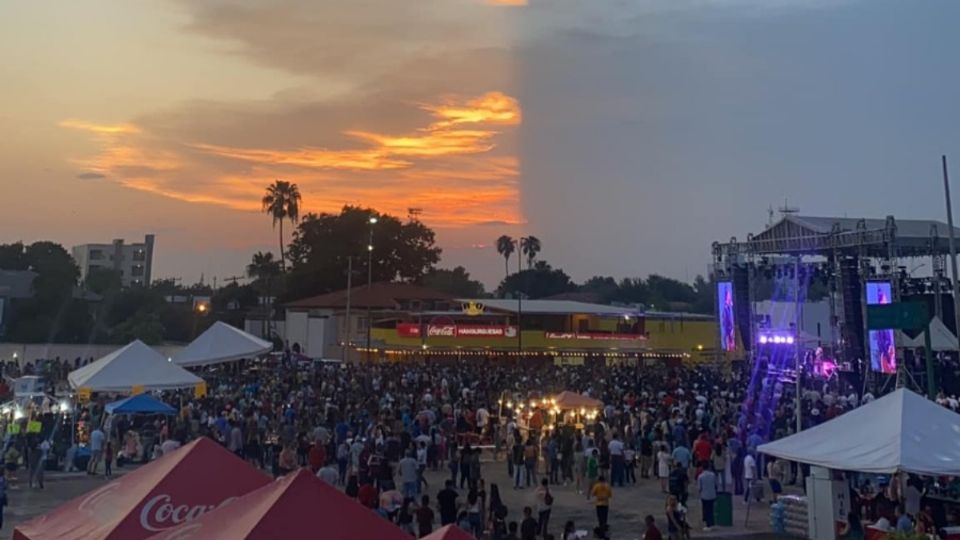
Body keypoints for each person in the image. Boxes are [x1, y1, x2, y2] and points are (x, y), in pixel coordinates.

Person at [697, 465, 718, 531]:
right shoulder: (713, 475)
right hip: (712, 495)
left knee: (706, 510)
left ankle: (708, 524)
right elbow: (716, 485)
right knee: (711, 509)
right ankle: (711, 522)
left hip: (704, 496)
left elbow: (699, 488)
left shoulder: (700, 476)